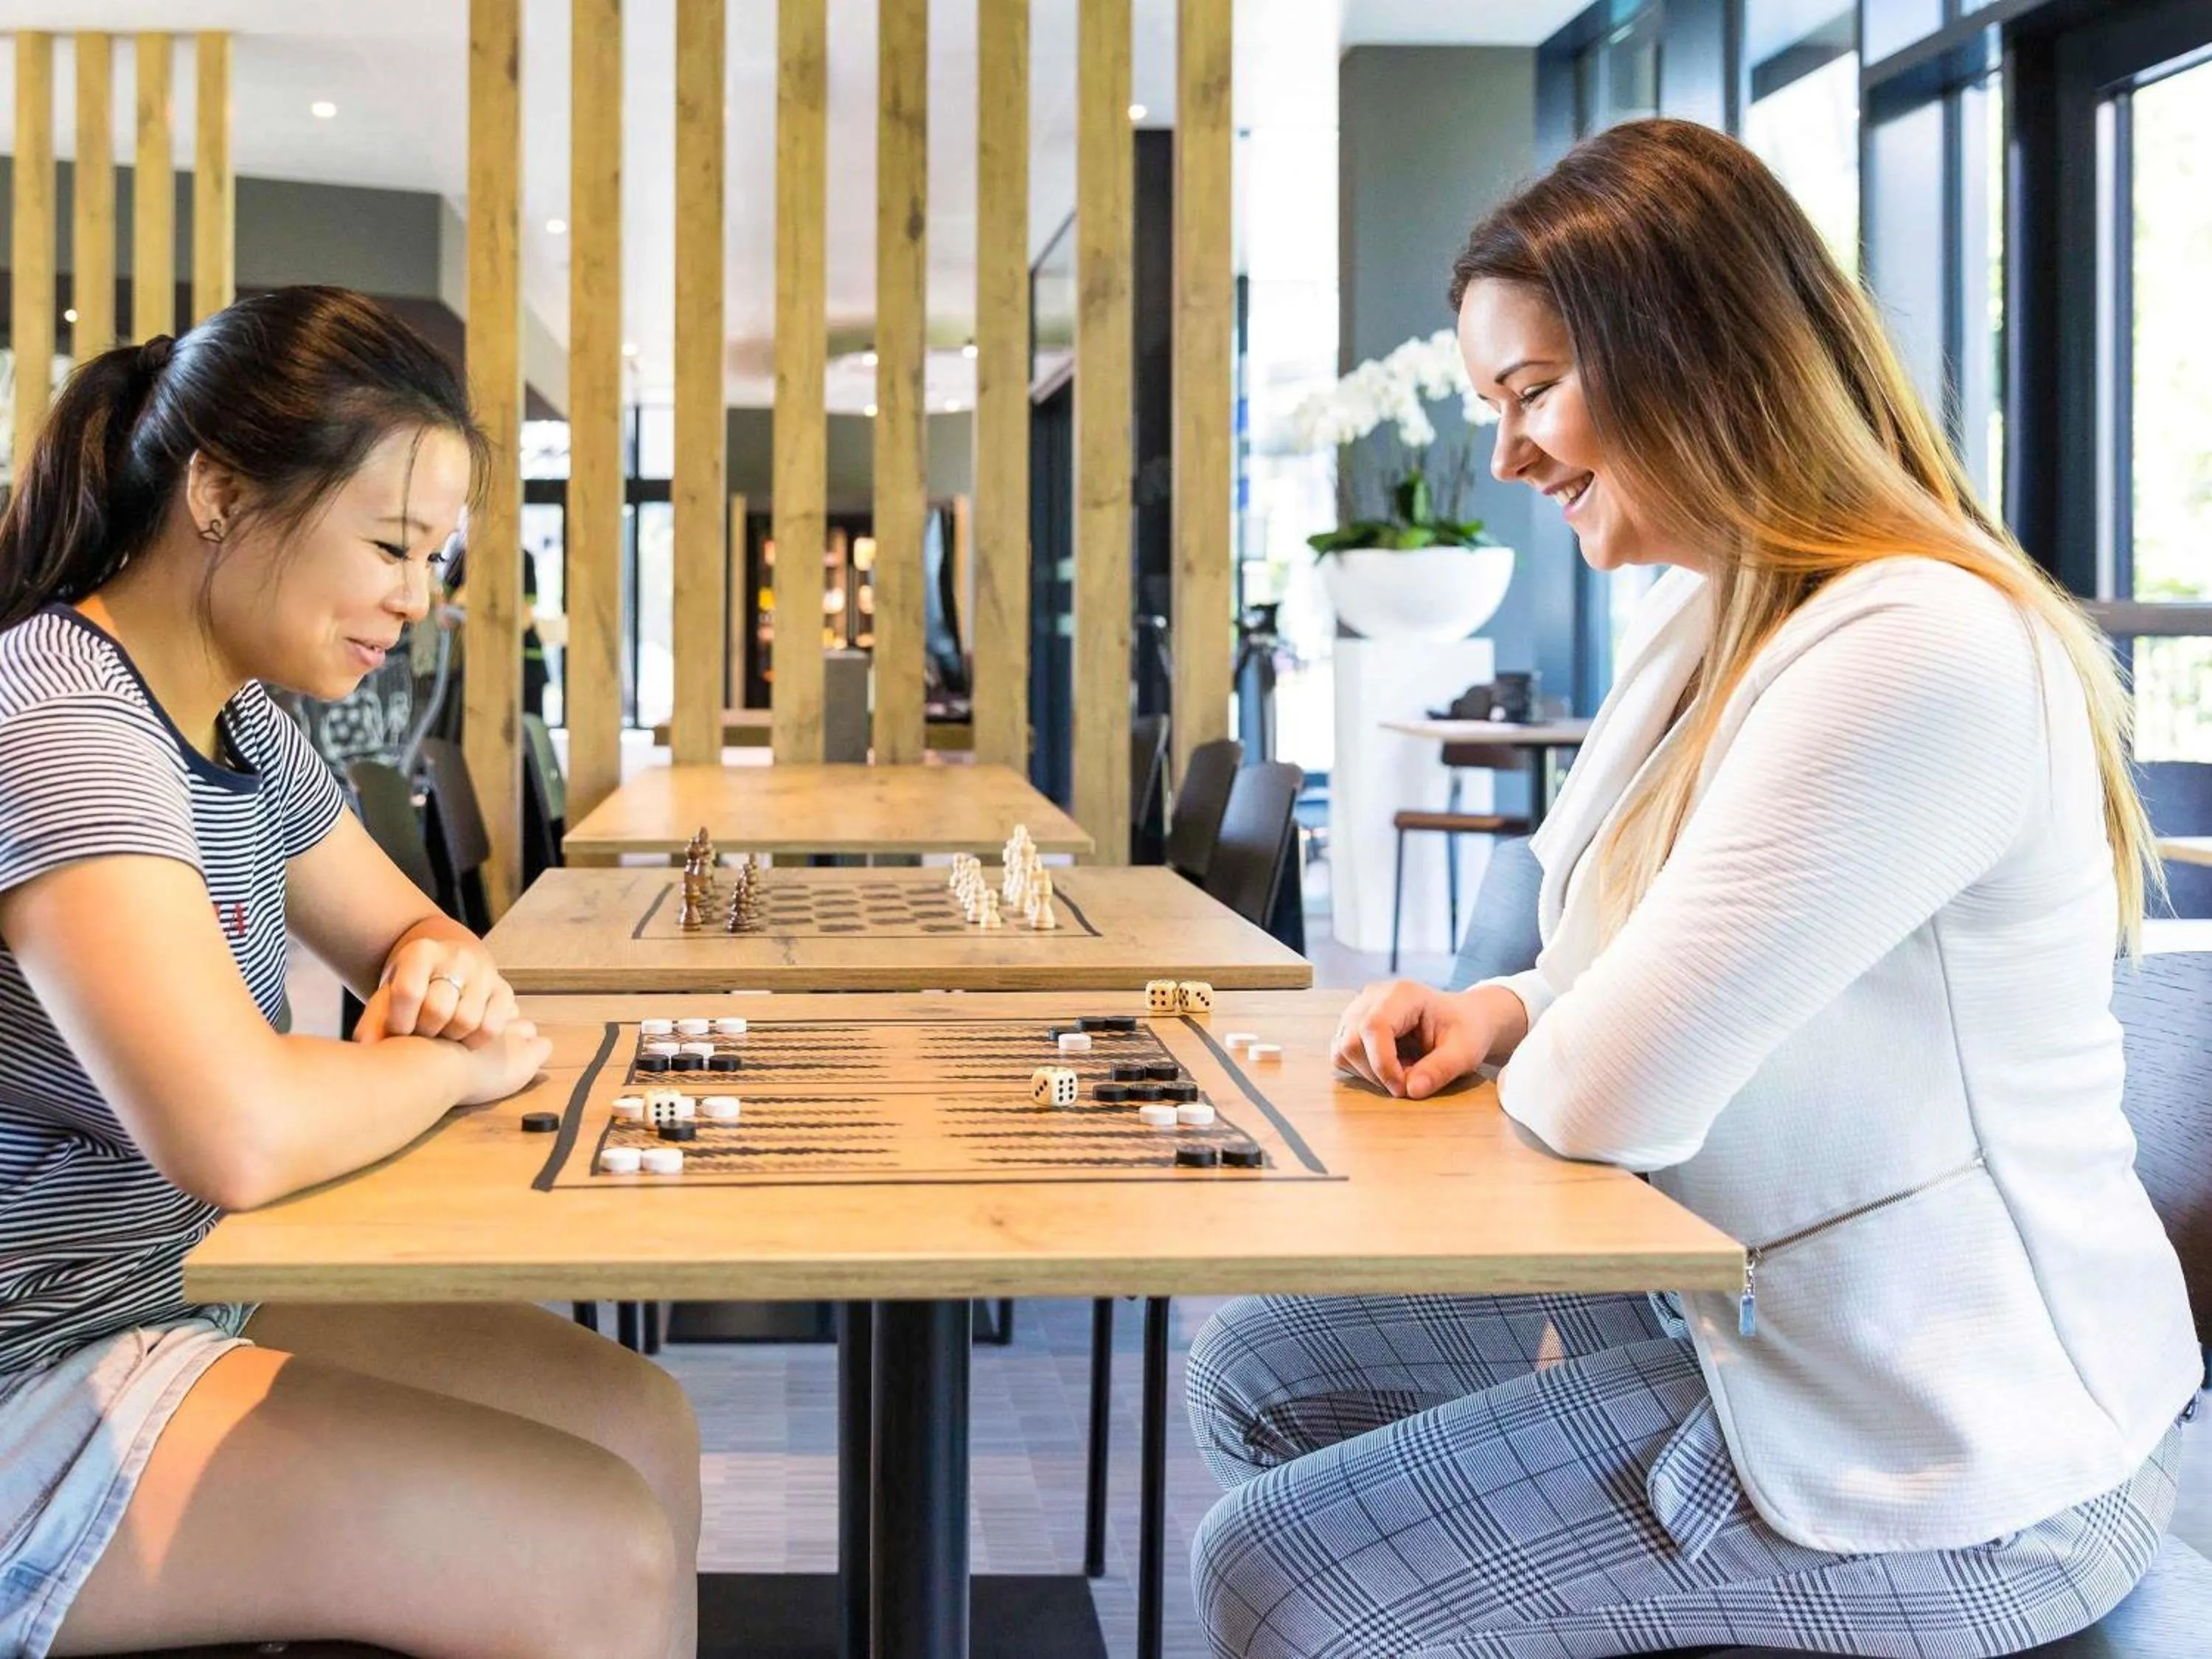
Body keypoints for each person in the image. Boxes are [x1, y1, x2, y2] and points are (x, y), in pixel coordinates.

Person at [1186, 119, 2199, 1658]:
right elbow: (1607, 961)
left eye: (1533, 392)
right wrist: (1501, 1008)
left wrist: (1563, 1038)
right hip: (1738, 1309)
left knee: (1279, 1570)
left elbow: (1612, 1093)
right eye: (1493, 406)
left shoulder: (1920, 652)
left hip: (1956, 1440)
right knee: (1262, 1367)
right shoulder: (1710, 610)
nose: (1508, 457)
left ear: (1693, 352)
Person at [0, 287, 699, 1659]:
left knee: (643, 1422)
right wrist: (451, 1064)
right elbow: (241, 1133)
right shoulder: (65, 719)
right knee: (600, 1552)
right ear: (218, 494)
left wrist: (440, 976)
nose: (415, 598)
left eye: (431, 556)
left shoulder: (239, 719)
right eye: (389, 544)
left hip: (173, 1280)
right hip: (35, 1362)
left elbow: (418, 934)